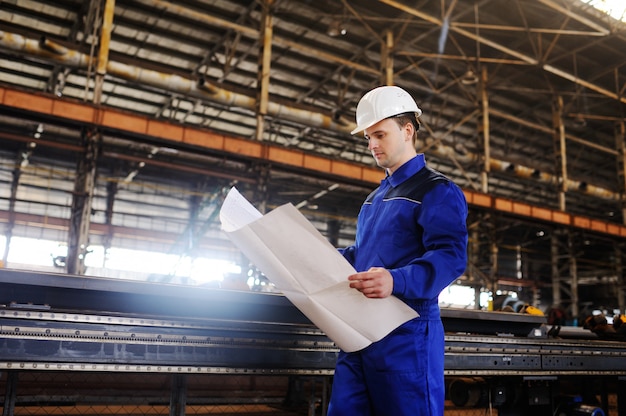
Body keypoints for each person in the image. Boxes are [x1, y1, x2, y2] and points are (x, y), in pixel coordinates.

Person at [327, 85, 468, 416]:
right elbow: (364, 256)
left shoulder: (436, 190)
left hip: (406, 335)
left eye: (380, 134)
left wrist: (396, 281)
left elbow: (450, 255)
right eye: (367, 137)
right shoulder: (375, 199)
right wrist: (313, 255)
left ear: (407, 131)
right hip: (359, 334)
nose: (372, 144)